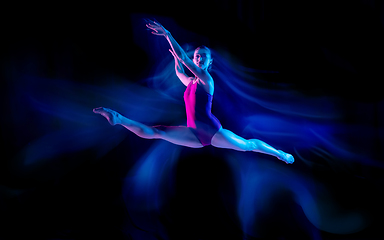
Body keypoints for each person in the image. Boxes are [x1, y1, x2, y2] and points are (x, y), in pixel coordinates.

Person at [93, 20, 294, 164]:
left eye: (203, 57)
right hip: (193, 134)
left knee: (248, 145)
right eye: (197, 56)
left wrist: (168, 36)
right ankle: (118, 118)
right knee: (158, 131)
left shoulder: (207, 80)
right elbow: (180, 70)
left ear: (209, 62)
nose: (199, 59)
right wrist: (176, 59)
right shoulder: (191, 82)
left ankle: (279, 153)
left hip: (212, 130)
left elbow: (185, 62)